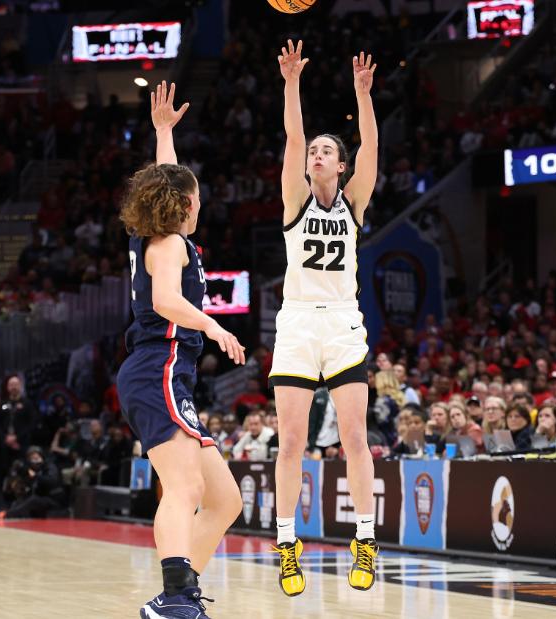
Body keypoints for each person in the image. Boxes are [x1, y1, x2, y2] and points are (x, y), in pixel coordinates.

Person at [114, 81, 245, 618]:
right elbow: (167, 300)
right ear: (186, 204)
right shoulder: (167, 245)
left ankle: (178, 597)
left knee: (225, 500)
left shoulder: (164, 236)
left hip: (168, 374)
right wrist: (212, 326)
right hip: (158, 366)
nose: (198, 201)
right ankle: (174, 599)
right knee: (185, 485)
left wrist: (164, 133)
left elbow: (167, 182)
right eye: (194, 196)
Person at [268, 41, 381, 596]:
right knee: (292, 444)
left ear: (341, 165)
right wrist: (290, 84)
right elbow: (291, 138)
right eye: (314, 149)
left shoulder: (355, 202)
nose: (316, 153)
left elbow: (373, 149)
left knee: (354, 440)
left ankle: (365, 538)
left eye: (326, 150)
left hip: (341, 324)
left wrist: (363, 97)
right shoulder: (295, 199)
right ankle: (287, 545)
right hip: (295, 325)